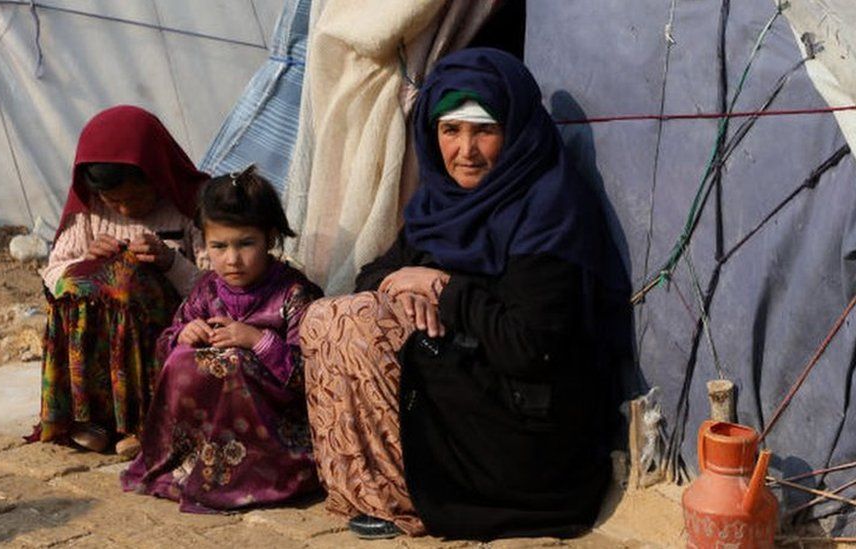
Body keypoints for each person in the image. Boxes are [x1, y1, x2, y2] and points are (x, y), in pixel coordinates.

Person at [300, 48, 631, 540]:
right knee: (332, 317)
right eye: (450, 130)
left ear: (515, 129)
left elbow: (530, 346)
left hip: (529, 422)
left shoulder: (549, 209)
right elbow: (375, 273)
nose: (465, 150)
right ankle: (377, 492)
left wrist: (444, 289)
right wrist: (404, 285)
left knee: (362, 326)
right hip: (465, 380)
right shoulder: (441, 202)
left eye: (484, 130)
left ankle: (413, 497)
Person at [121, 167, 324, 513]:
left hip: (274, 435)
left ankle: (253, 476)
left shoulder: (294, 293)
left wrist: (258, 341)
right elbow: (166, 346)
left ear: (271, 238)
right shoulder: (207, 289)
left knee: (232, 362)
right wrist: (183, 335)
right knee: (185, 358)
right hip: (211, 433)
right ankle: (196, 461)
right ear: (204, 243)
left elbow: (311, 375)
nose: (232, 259)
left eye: (246, 243)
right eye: (219, 246)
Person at [36, 105, 209, 456]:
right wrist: (86, 262)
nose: (126, 211)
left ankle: (142, 420)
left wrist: (169, 261)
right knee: (79, 286)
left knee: (126, 281)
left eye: (135, 198)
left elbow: (218, 286)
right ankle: (94, 417)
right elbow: (54, 274)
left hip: (170, 325)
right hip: (109, 330)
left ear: (157, 175)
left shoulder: (194, 203)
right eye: (114, 202)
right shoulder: (89, 209)